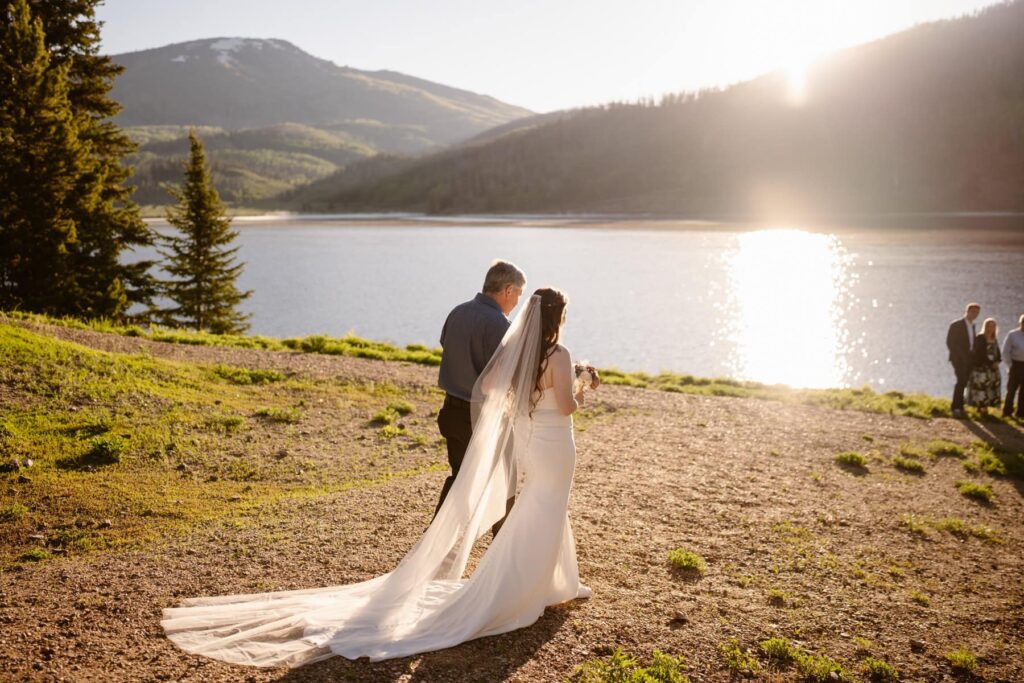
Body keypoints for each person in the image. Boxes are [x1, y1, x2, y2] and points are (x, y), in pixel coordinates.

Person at [162, 288, 598, 667]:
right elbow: (566, 408)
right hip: (557, 444)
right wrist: (582, 385)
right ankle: (522, 588)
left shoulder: (524, 352)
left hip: (534, 448)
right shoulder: (559, 355)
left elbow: (487, 389)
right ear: (558, 317)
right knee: (544, 508)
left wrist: (527, 400)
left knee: (541, 507)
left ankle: (557, 581)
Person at [435, 260, 525, 525]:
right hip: (482, 417)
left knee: (458, 478)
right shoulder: (500, 325)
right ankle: (502, 550)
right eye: (519, 294)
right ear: (508, 290)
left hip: (450, 412)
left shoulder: (457, 312)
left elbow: (447, 347)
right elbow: (503, 377)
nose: (518, 302)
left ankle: (435, 543)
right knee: (503, 480)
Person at [946, 303, 980, 418]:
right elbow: (950, 342)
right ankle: (955, 407)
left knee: (964, 382)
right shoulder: (956, 325)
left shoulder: (973, 325)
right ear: (967, 311)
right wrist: (959, 357)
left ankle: (960, 406)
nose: (975, 314)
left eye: (977, 312)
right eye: (973, 311)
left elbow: (971, 343)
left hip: (969, 359)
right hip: (959, 359)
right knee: (961, 381)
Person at [968, 318, 1001, 416]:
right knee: (981, 387)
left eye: (993, 326)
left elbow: (998, 353)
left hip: (993, 369)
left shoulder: (994, 339)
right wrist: (990, 363)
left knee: (990, 387)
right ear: (985, 326)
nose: (991, 328)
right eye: (989, 326)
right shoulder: (980, 337)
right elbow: (980, 353)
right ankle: (981, 408)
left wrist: (997, 362)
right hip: (982, 367)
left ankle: (986, 407)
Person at [1003, 314, 1024, 419]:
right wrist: (1010, 365)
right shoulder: (1013, 334)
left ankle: (1021, 412)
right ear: (1021, 323)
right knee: (1011, 389)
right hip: (1015, 364)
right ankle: (1007, 411)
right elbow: (1006, 351)